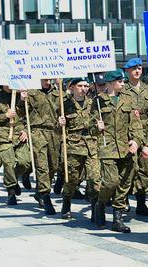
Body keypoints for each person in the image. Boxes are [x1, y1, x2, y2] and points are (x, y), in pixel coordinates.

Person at [93, 69, 144, 233]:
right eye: (120, 81)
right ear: (110, 83)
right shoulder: (99, 101)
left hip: (125, 148)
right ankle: (100, 204)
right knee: (111, 182)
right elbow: (89, 124)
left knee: (124, 184)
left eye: (123, 81)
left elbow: (136, 124)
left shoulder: (128, 99)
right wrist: (96, 126)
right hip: (107, 148)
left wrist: (136, 141)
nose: (123, 84)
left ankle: (117, 217)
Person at [57, 77, 101, 220]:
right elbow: (56, 131)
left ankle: (95, 209)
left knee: (95, 178)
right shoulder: (65, 105)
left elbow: (96, 125)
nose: (84, 89)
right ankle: (66, 201)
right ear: (72, 87)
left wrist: (99, 127)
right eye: (81, 86)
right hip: (73, 146)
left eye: (86, 86)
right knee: (72, 178)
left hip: (91, 145)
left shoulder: (94, 104)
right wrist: (60, 124)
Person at [0, 85, 31, 205]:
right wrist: (5, 116)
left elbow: (30, 117)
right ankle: (11, 191)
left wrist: (25, 130)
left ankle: (13, 180)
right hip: (4, 136)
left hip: (20, 135)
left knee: (25, 162)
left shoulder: (23, 96)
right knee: (9, 164)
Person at [122, 58, 148, 216]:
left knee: (145, 168)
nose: (137, 71)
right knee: (129, 167)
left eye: (139, 68)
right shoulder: (122, 90)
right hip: (128, 133)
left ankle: (141, 201)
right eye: (133, 68)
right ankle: (124, 199)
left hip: (146, 131)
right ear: (127, 71)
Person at [24, 79, 60, 214]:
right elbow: (22, 114)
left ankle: (39, 190)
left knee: (53, 165)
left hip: (54, 132)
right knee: (42, 165)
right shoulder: (31, 93)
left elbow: (65, 110)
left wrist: (63, 120)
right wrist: (23, 101)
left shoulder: (58, 93)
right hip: (37, 130)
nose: (48, 80)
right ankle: (46, 196)